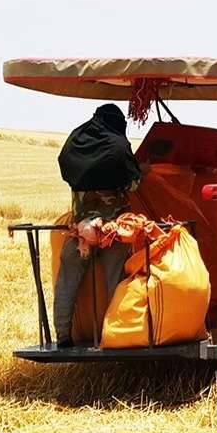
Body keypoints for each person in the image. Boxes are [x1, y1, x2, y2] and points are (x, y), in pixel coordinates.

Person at [53, 103, 142, 347]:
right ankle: (117, 335)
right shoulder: (118, 145)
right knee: (117, 282)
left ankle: (63, 336)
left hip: (80, 230)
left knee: (67, 280)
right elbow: (134, 184)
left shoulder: (76, 141)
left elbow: (65, 169)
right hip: (113, 231)